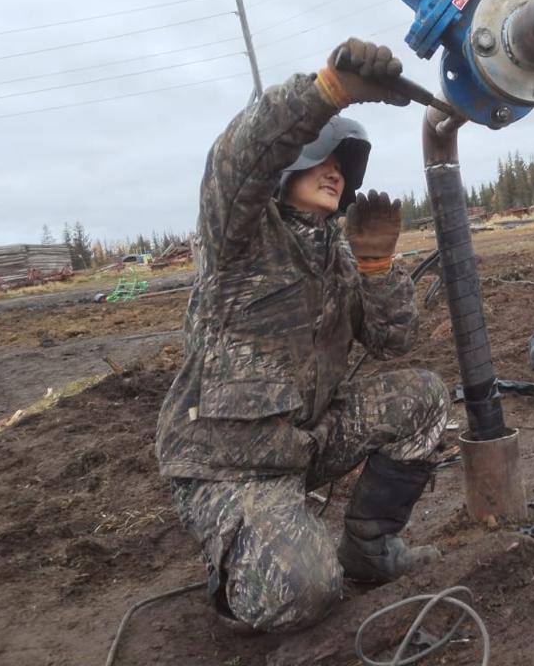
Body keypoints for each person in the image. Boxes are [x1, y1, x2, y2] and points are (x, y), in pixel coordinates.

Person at [155, 38, 450, 632]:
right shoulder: (240, 238)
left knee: (424, 399)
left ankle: (368, 548)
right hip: (226, 463)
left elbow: (393, 342)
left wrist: (376, 270)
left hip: (303, 442)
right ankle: (245, 563)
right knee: (306, 589)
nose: (335, 171)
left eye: (343, 163)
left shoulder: (335, 253)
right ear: (289, 164)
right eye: (321, 159)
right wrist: (326, 92)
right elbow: (240, 159)